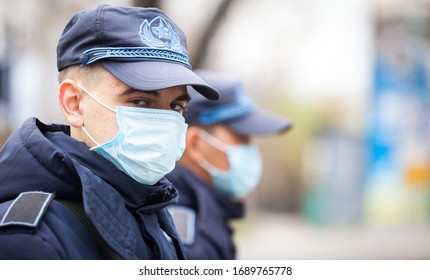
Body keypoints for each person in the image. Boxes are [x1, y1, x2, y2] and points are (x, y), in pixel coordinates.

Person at [0, 5, 219, 260]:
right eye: (140, 101)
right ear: (73, 103)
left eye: (176, 106)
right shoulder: (29, 241)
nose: (166, 120)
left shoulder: (149, 210)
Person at [165, 70, 292, 259]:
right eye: (241, 137)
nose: (250, 148)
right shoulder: (179, 231)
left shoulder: (204, 211)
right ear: (195, 145)